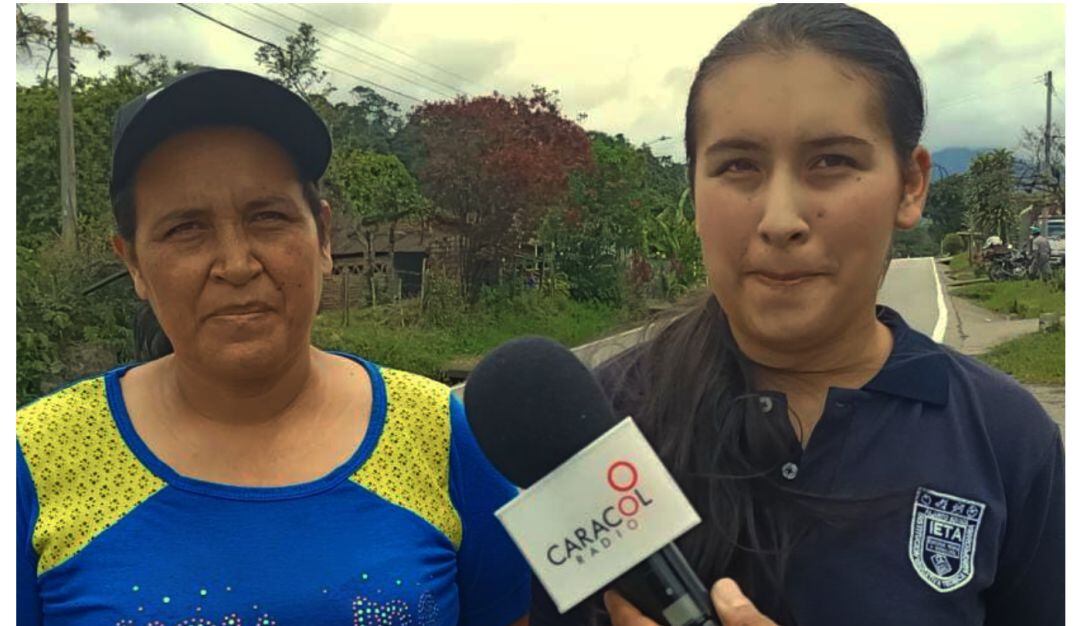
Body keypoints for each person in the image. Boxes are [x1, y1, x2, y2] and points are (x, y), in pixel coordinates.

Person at [530, 4, 1063, 626]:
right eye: (738, 166)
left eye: (832, 161)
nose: (780, 219)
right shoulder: (596, 427)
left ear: (910, 186)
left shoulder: (1005, 440)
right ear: (694, 193)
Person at [16, 68, 531, 626]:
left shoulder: (440, 433)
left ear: (324, 238)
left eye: (268, 217)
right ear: (134, 263)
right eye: (186, 228)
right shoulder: (33, 460)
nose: (237, 264)